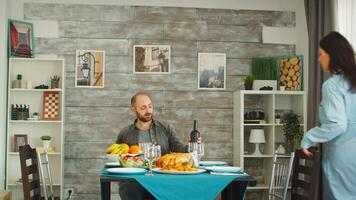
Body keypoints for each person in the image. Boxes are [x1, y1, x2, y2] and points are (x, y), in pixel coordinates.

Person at [301, 31, 356, 199]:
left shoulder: (332, 85)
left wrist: (309, 138)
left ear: (331, 55)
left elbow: (337, 124)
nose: (318, 59)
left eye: (321, 54)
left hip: (343, 158)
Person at [116, 92, 189, 200]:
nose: (148, 111)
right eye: (143, 108)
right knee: (128, 187)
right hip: (135, 180)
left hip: (161, 178)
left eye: (150, 106)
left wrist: (192, 145)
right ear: (134, 110)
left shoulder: (165, 128)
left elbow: (179, 148)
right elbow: (118, 157)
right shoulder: (125, 133)